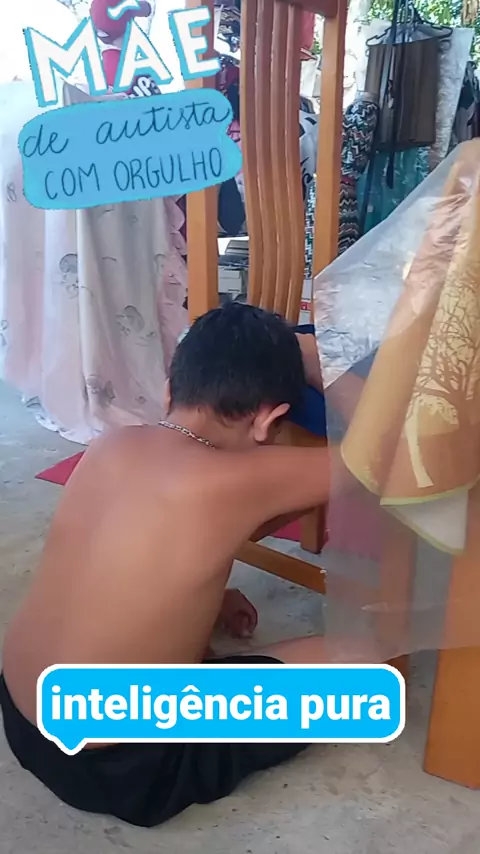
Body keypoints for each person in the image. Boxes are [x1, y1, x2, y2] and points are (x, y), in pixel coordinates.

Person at [0, 302, 377, 827]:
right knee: (360, 666)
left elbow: (123, 555)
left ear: (169, 391)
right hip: (118, 768)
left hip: (20, 714)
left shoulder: (110, 444)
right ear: (268, 421)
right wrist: (310, 353)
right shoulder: (239, 479)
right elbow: (388, 456)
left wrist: (205, 598)